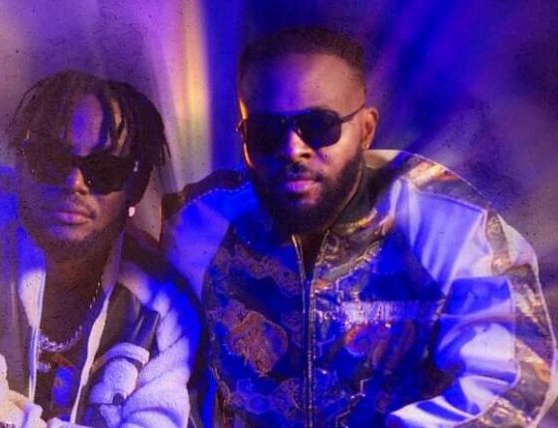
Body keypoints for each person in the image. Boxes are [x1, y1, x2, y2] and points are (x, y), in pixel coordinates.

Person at [161, 27, 557, 427]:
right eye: (266, 131)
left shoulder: (451, 219)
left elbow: (515, 379)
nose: (292, 149)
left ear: (366, 129)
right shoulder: (200, 223)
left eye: (319, 126)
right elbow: (161, 361)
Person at [0, 70, 199, 427]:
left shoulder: (164, 308)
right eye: (50, 159)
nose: (74, 182)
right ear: (20, 163)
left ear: (135, 187)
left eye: (104, 169)